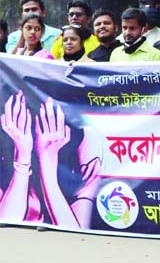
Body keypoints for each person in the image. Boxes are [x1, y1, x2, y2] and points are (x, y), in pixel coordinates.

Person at [0, 91, 101, 227]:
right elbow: (7, 221)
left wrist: (47, 162)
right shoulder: (7, 134)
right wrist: (22, 156)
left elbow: (77, 231)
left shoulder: (85, 138)